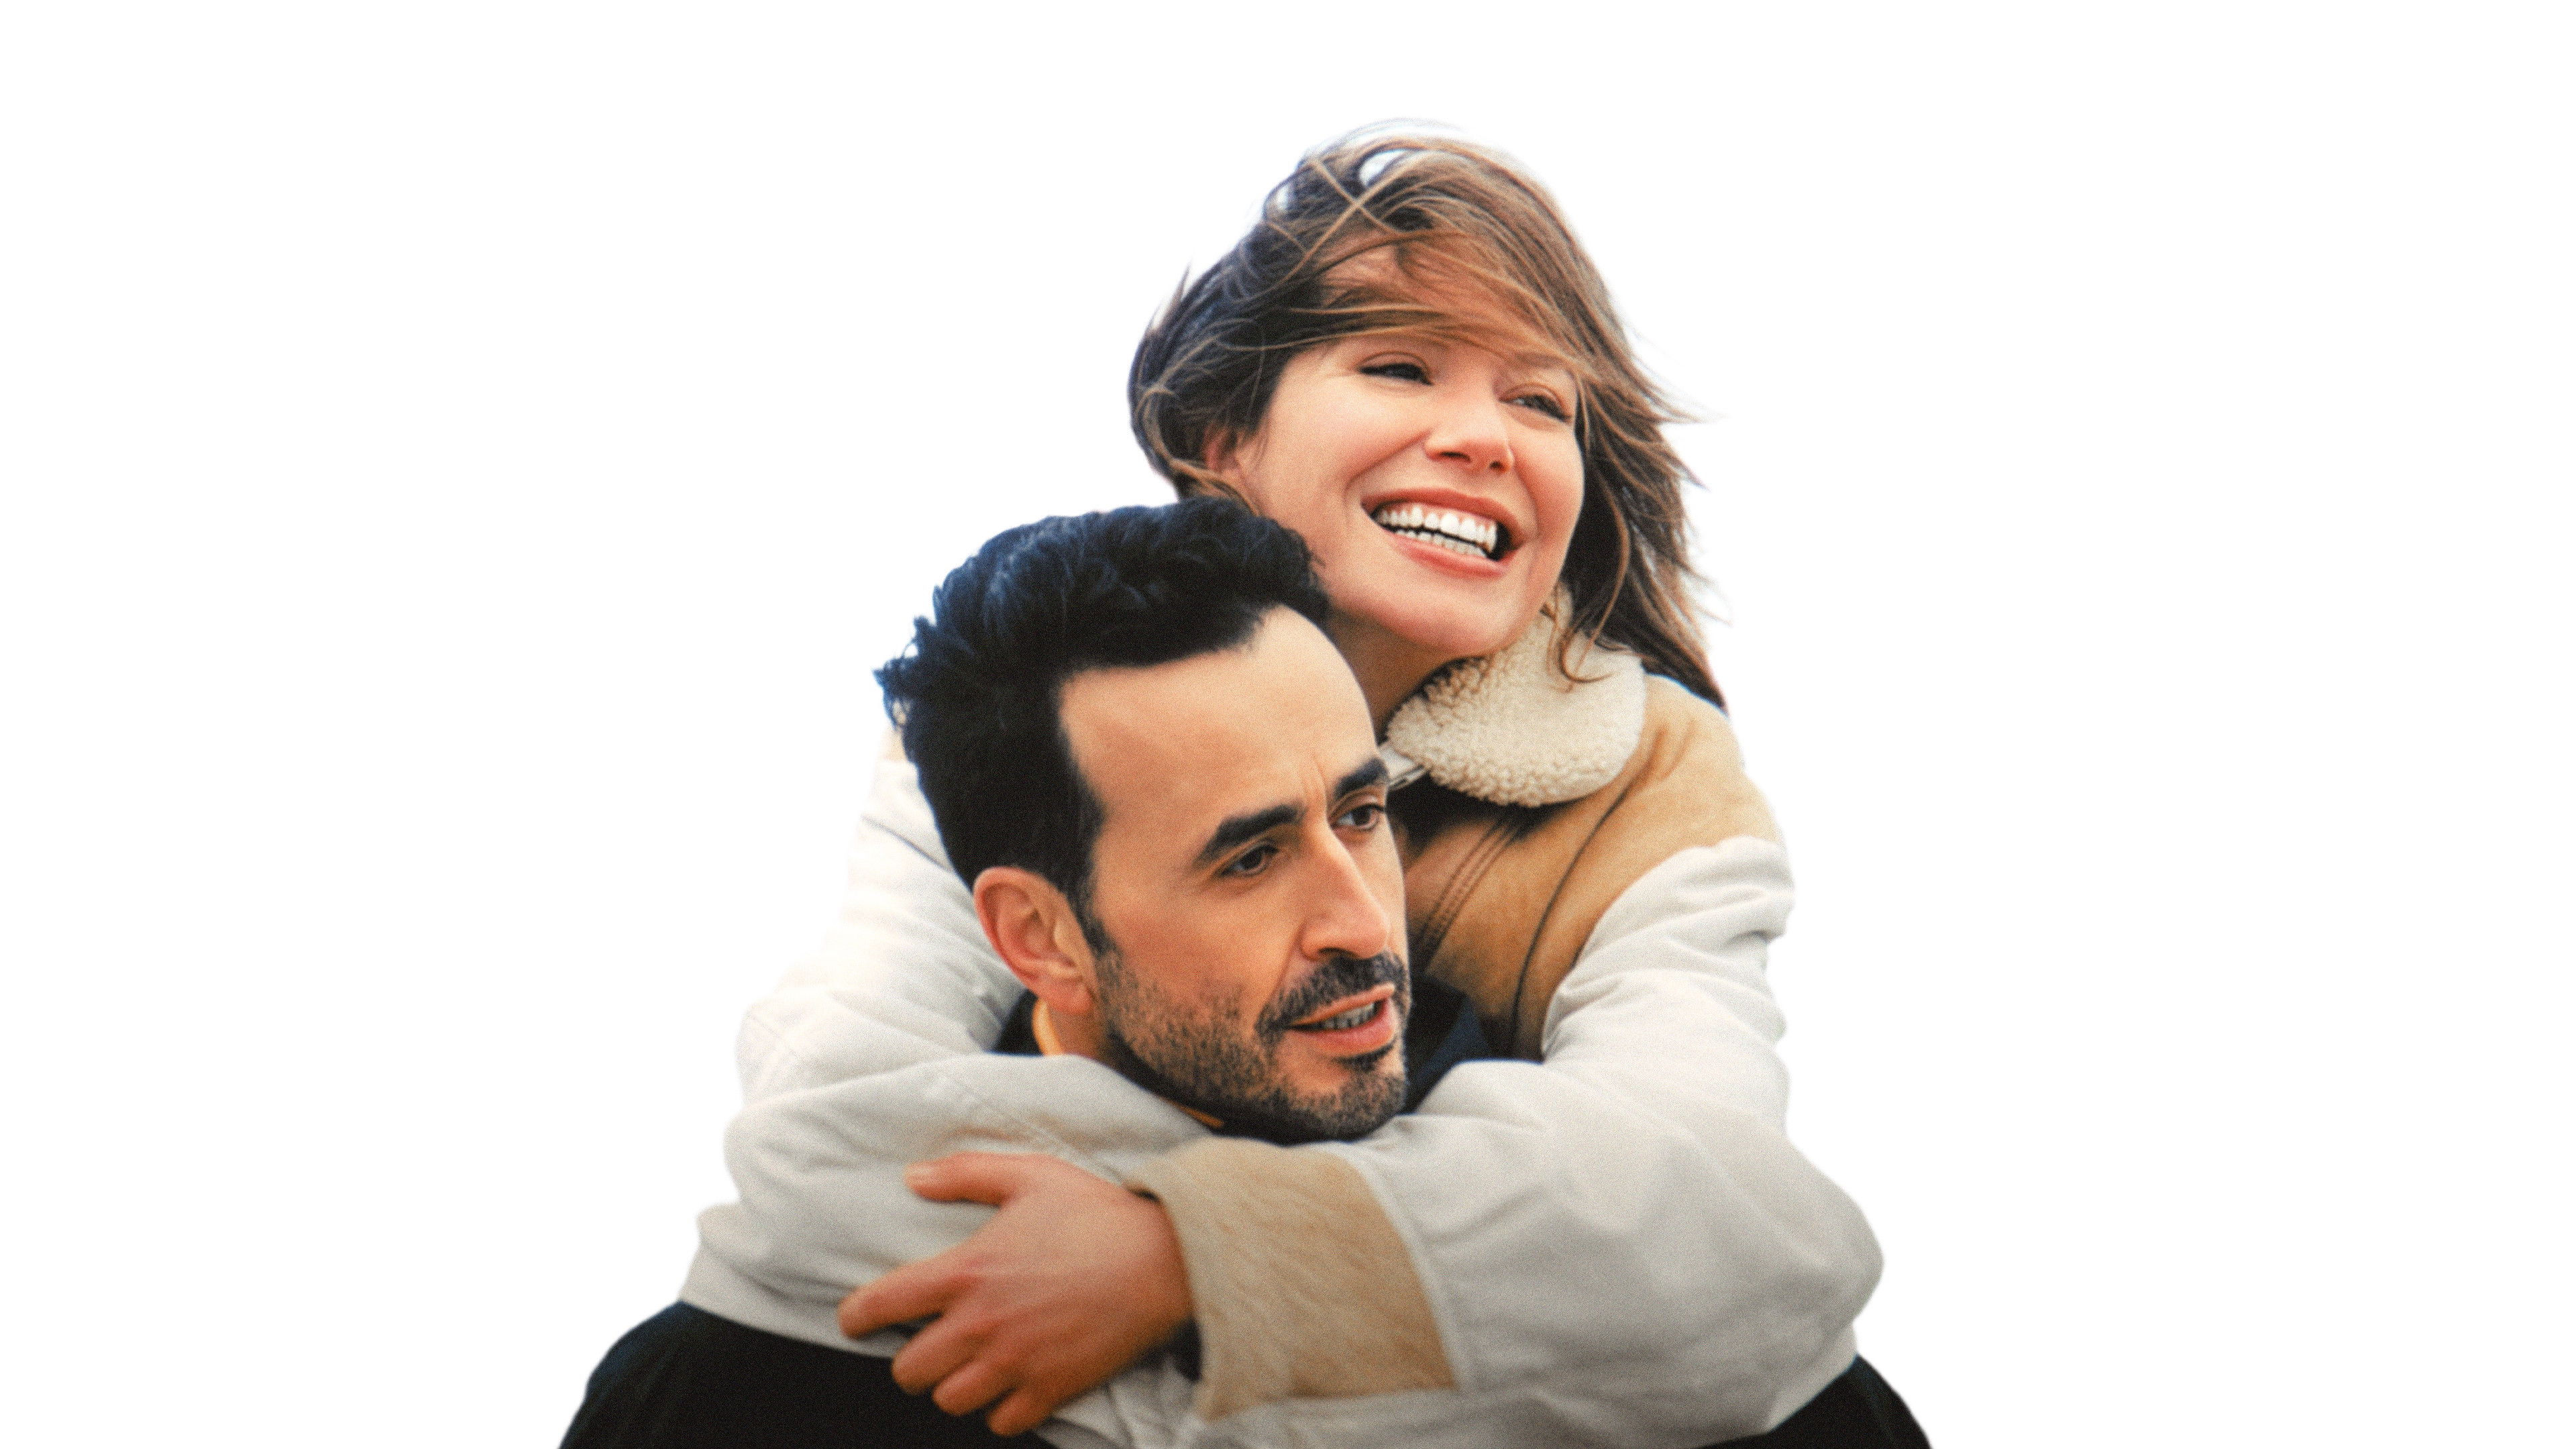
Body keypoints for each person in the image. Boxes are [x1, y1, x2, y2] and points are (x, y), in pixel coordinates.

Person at [704, 130, 1921, 1447]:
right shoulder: (1043, 695)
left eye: (1540, 401)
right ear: (1222, 437)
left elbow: (1717, 1216)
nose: (1485, 437)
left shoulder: (1655, 784)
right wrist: (1470, 1288)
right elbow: (825, 1137)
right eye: (1399, 366)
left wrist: (1187, 1261)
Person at [565, 500, 1431, 1448]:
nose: (1363, 924)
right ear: (1042, 939)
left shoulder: (1530, 1124)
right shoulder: (738, 1389)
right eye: (1251, 861)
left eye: (1360, 816)